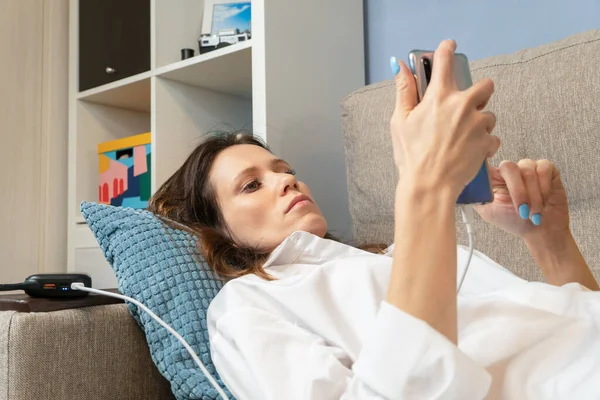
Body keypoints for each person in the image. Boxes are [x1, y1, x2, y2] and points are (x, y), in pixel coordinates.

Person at [149, 40, 600, 399]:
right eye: (251, 185)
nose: (287, 182)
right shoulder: (248, 306)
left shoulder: (408, 254)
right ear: (217, 229)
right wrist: (425, 187)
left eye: (285, 171)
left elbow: (578, 323)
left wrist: (551, 240)